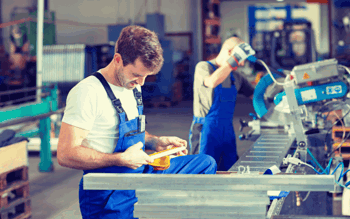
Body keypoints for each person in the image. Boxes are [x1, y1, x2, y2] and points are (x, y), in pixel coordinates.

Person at [57, 25, 217, 219]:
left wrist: (155, 142)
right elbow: (65, 154)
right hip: (108, 190)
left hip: (137, 171)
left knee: (205, 163)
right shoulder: (87, 92)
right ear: (118, 60)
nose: (141, 83)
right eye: (137, 75)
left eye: (146, 76)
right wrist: (119, 159)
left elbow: (127, 133)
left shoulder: (132, 85)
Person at [189, 37, 254, 171]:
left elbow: (256, 94)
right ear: (230, 53)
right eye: (240, 59)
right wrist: (232, 61)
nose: (241, 64)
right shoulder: (203, 67)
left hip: (227, 131)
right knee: (202, 170)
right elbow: (211, 82)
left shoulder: (236, 76)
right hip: (206, 130)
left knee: (229, 169)